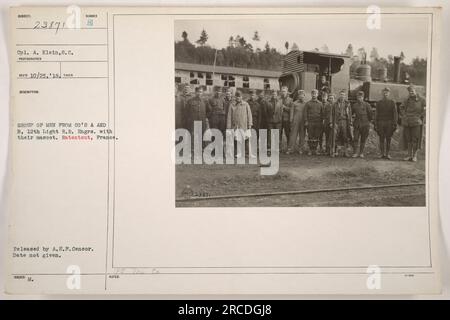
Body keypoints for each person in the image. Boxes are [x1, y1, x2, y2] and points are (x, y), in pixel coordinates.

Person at [399, 85, 425, 162]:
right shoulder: (406, 100)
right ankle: (409, 155)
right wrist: (404, 115)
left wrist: (420, 116)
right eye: (410, 91)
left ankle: (414, 156)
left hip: (416, 122)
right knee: (409, 139)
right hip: (407, 122)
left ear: (415, 91)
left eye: (412, 91)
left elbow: (426, 108)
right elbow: (401, 107)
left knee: (415, 139)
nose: (411, 92)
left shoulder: (422, 100)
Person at [227, 91, 253, 157]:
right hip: (236, 126)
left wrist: (249, 124)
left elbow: (249, 114)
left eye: (239, 96)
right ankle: (239, 153)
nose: (238, 98)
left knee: (247, 139)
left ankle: (249, 153)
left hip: (245, 125)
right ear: (235, 97)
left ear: (242, 97)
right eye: (237, 96)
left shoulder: (246, 104)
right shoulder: (232, 105)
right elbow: (229, 116)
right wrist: (229, 127)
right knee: (238, 140)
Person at [374, 87, 398, 159]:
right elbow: (376, 114)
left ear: (389, 93)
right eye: (384, 92)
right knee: (381, 138)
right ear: (382, 93)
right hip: (381, 122)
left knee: (388, 138)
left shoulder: (392, 102)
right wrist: (375, 123)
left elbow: (395, 114)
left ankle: (387, 154)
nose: (385, 94)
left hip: (389, 123)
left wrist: (395, 123)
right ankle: (382, 153)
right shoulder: (379, 103)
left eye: (387, 92)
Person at [351, 91, 373, 158]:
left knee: (363, 139)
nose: (359, 98)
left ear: (363, 97)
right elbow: (351, 113)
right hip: (357, 124)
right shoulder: (354, 105)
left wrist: (367, 122)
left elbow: (370, 115)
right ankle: (355, 152)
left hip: (365, 125)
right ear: (357, 97)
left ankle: (361, 153)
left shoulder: (367, 105)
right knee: (355, 138)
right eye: (358, 97)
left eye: (361, 97)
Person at [331, 89, 352, 157]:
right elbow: (332, 114)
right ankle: (334, 151)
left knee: (345, 136)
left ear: (345, 96)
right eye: (341, 95)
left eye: (343, 95)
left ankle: (345, 152)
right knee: (336, 136)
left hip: (345, 121)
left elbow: (350, 114)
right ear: (339, 95)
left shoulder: (347, 103)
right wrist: (331, 122)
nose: (342, 96)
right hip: (337, 121)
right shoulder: (335, 104)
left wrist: (350, 122)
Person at [286, 89, 307, 155]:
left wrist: (306, 121)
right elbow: (291, 113)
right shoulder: (294, 103)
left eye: (302, 95)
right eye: (300, 95)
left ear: (304, 96)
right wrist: (291, 120)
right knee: (293, 135)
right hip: (295, 121)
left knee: (302, 135)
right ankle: (290, 149)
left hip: (303, 121)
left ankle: (301, 149)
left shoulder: (306, 104)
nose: (301, 97)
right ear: (298, 96)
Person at [304, 89, 324, 155]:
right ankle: (310, 149)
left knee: (316, 136)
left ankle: (315, 150)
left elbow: (322, 113)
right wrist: (306, 121)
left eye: (315, 94)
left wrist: (322, 122)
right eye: (313, 94)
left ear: (317, 95)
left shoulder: (320, 104)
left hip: (318, 122)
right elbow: (305, 113)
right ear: (311, 95)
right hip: (310, 122)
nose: (314, 95)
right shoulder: (308, 103)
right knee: (310, 135)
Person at [280, 86, 294, 152]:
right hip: (279, 119)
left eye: (284, 91)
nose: (283, 93)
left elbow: (291, 110)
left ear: (287, 92)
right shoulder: (279, 99)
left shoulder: (290, 100)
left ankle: (289, 148)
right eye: (282, 91)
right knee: (279, 133)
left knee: (288, 134)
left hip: (286, 119)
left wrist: (284, 107)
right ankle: (279, 148)